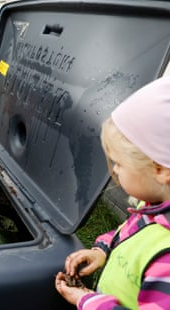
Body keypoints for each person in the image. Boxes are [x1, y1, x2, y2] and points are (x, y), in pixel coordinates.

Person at [55, 76, 170, 309]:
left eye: (119, 163)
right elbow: (129, 233)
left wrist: (88, 301)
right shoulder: (152, 206)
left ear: (160, 170)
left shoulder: (166, 260)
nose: (114, 170)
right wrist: (102, 250)